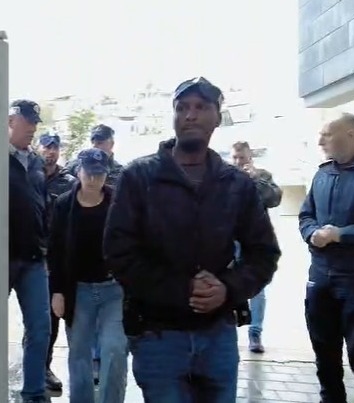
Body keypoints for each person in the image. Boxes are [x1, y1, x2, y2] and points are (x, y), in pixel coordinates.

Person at [103, 77, 281, 402]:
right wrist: (182, 289)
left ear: (217, 118)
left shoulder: (237, 184)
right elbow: (119, 254)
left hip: (218, 336)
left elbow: (263, 254)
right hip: (158, 336)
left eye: (201, 107)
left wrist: (228, 288)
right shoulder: (138, 177)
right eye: (182, 108)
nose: (190, 115)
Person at [49, 148, 128, 403]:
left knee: (115, 349)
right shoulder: (64, 205)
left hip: (113, 290)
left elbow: (132, 243)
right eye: (89, 173)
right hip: (78, 290)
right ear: (78, 171)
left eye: (99, 174)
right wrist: (57, 292)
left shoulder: (118, 204)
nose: (93, 180)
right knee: (79, 354)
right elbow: (55, 251)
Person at [299, 112, 354, 403]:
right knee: (324, 352)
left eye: (327, 134)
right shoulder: (323, 174)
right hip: (321, 278)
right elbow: (306, 215)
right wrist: (311, 232)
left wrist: (342, 234)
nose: (320, 141)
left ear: (351, 134)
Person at [8, 99, 51, 403]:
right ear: (11, 121)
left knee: (40, 327)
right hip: (0, 258)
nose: (33, 127)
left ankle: (34, 394)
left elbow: (42, 204)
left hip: (34, 257)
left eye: (35, 122)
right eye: (28, 121)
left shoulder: (35, 161)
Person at [231, 141, 283, 353]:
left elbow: (274, 199)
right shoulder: (225, 176)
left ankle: (255, 332)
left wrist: (255, 180)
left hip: (254, 240)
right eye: (234, 157)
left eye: (241, 158)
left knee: (257, 288)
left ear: (250, 157)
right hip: (230, 240)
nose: (237, 162)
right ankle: (230, 332)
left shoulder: (262, 176)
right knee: (229, 281)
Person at [38, 132, 75, 391]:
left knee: (52, 317)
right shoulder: (29, 176)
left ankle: (44, 367)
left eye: (55, 147)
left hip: (57, 258)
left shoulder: (69, 182)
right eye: (47, 147)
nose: (51, 151)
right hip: (28, 254)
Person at [64, 124, 124, 189]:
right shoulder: (77, 164)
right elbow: (63, 177)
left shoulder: (120, 171)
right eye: (93, 142)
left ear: (111, 144)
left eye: (100, 143)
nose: (94, 146)